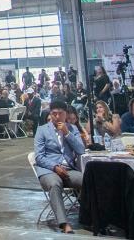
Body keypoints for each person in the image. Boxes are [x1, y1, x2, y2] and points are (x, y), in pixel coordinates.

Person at [34, 99, 85, 234]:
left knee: (88, 180)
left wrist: (67, 133)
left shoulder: (72, 129)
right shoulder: (42, 130)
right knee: (55, 184)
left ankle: (91, 217)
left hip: (68, 170)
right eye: (54, 113)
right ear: (50, 114)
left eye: (60, 113)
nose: (57, 117)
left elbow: (81, 150)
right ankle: (64, 223)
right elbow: (39, 157)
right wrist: (54, 167)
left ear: (65, 114)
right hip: (48, 170)